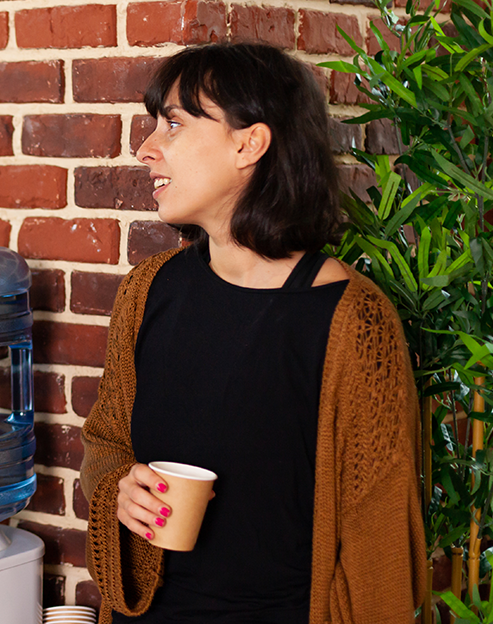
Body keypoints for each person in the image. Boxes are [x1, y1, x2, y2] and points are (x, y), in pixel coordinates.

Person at [79, 42, 425, 624]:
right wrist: (121, 488)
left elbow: (380, 543)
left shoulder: (352, 321)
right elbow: (107, 442)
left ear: (249, 144)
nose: (146, 149)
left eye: (174, 124)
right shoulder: (147, 291)